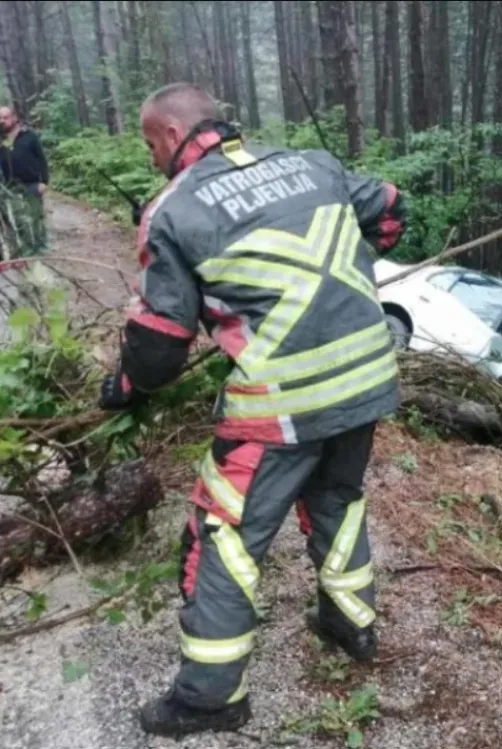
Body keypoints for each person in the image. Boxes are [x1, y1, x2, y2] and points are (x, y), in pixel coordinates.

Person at [98, 82, 406, 738]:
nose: (152, 159)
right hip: (368, 374)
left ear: (173, 136)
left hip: (283, 402)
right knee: (338, 497)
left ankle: (212, 696)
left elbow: (157, 350)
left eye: (151, 145)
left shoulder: (173, 210)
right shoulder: (309, 163)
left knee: (224, 536)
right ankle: (351, 622)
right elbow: (388, 207)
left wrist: (126, 385)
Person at [0, 106, 49, 256]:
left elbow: (42, 160)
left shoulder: (29, 136)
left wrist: (44, 182)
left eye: (5, 117)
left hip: (32, 183)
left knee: (35, 217)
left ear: (14, 117)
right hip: (10, 186)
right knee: (17, 219)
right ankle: (22, 250)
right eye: (0, 119)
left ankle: (39, 249)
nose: (2, 121)